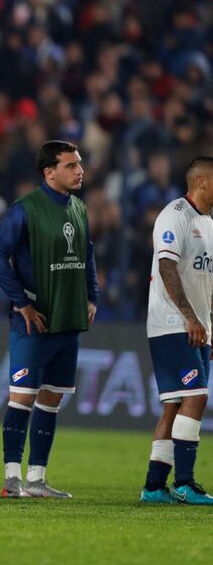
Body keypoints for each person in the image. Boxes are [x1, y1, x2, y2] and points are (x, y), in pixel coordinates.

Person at [0, 140, 99, 498]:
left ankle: (36, 479)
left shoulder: (79, 207)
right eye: (70, 165)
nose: (79, 171)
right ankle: (11, 478)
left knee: (51, 401)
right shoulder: (26, 209)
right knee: (22, 398)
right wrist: (22, 303)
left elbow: (87, 253)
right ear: (49, 173)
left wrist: (91, 296)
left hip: (68, 320)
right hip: (34, 323)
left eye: (79, 164)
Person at [139, 157, 213, 505]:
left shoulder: (209, 223)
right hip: (173, 324)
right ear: (201, 181)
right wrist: (189, 317)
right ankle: (184, 482)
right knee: (196, 397)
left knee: (173, 406)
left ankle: (154, 487)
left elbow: (205, 282)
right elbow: (167, 266)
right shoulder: (175, 215)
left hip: (199, 328)